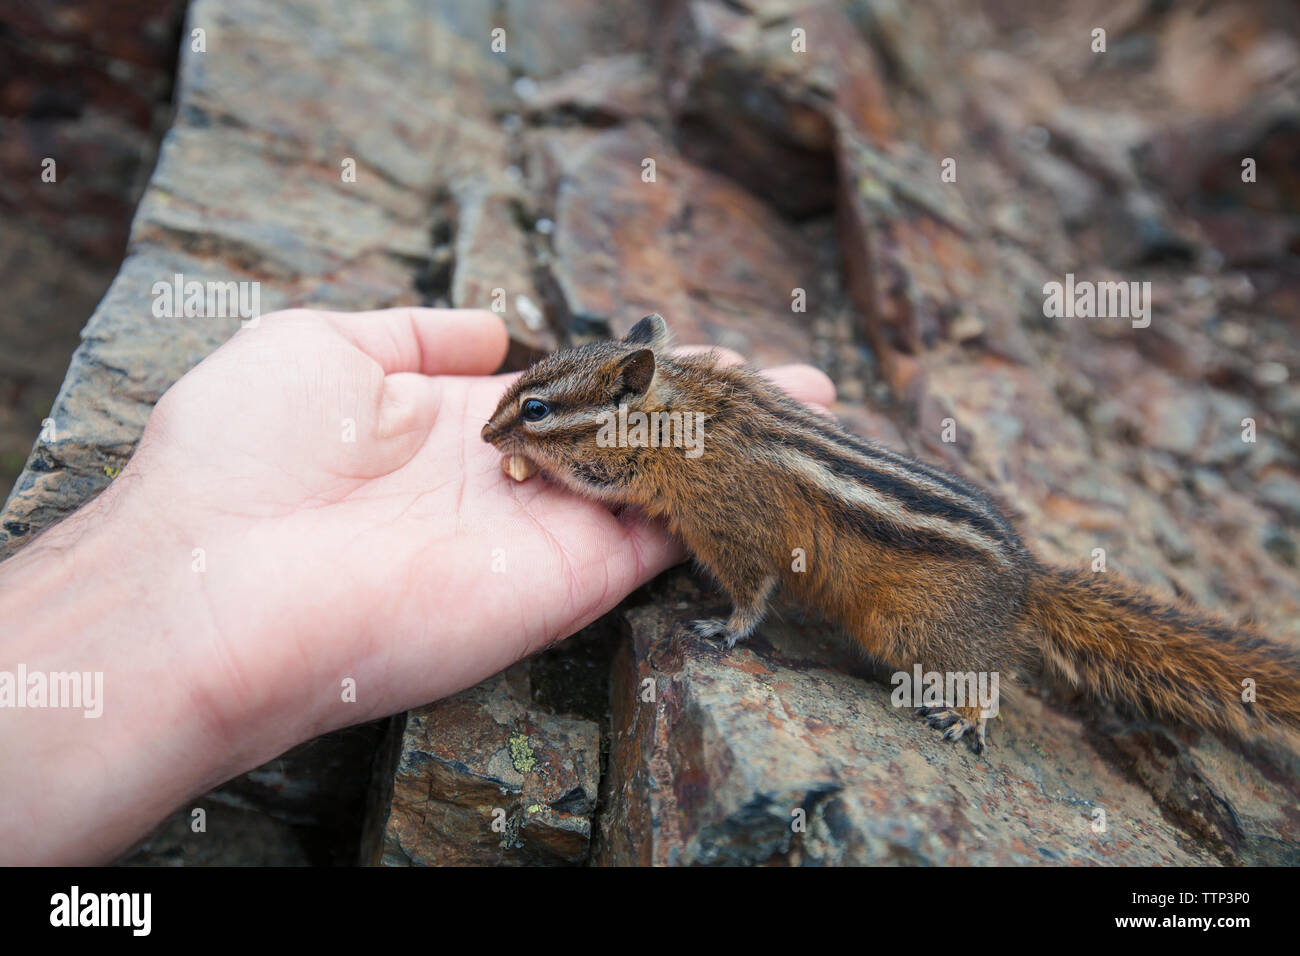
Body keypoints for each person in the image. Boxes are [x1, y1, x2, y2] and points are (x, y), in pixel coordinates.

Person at [0, 307, 835, 865]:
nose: (503, 433)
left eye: (537, 416)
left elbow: (619, 475)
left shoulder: (662, 449)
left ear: (630, 394)